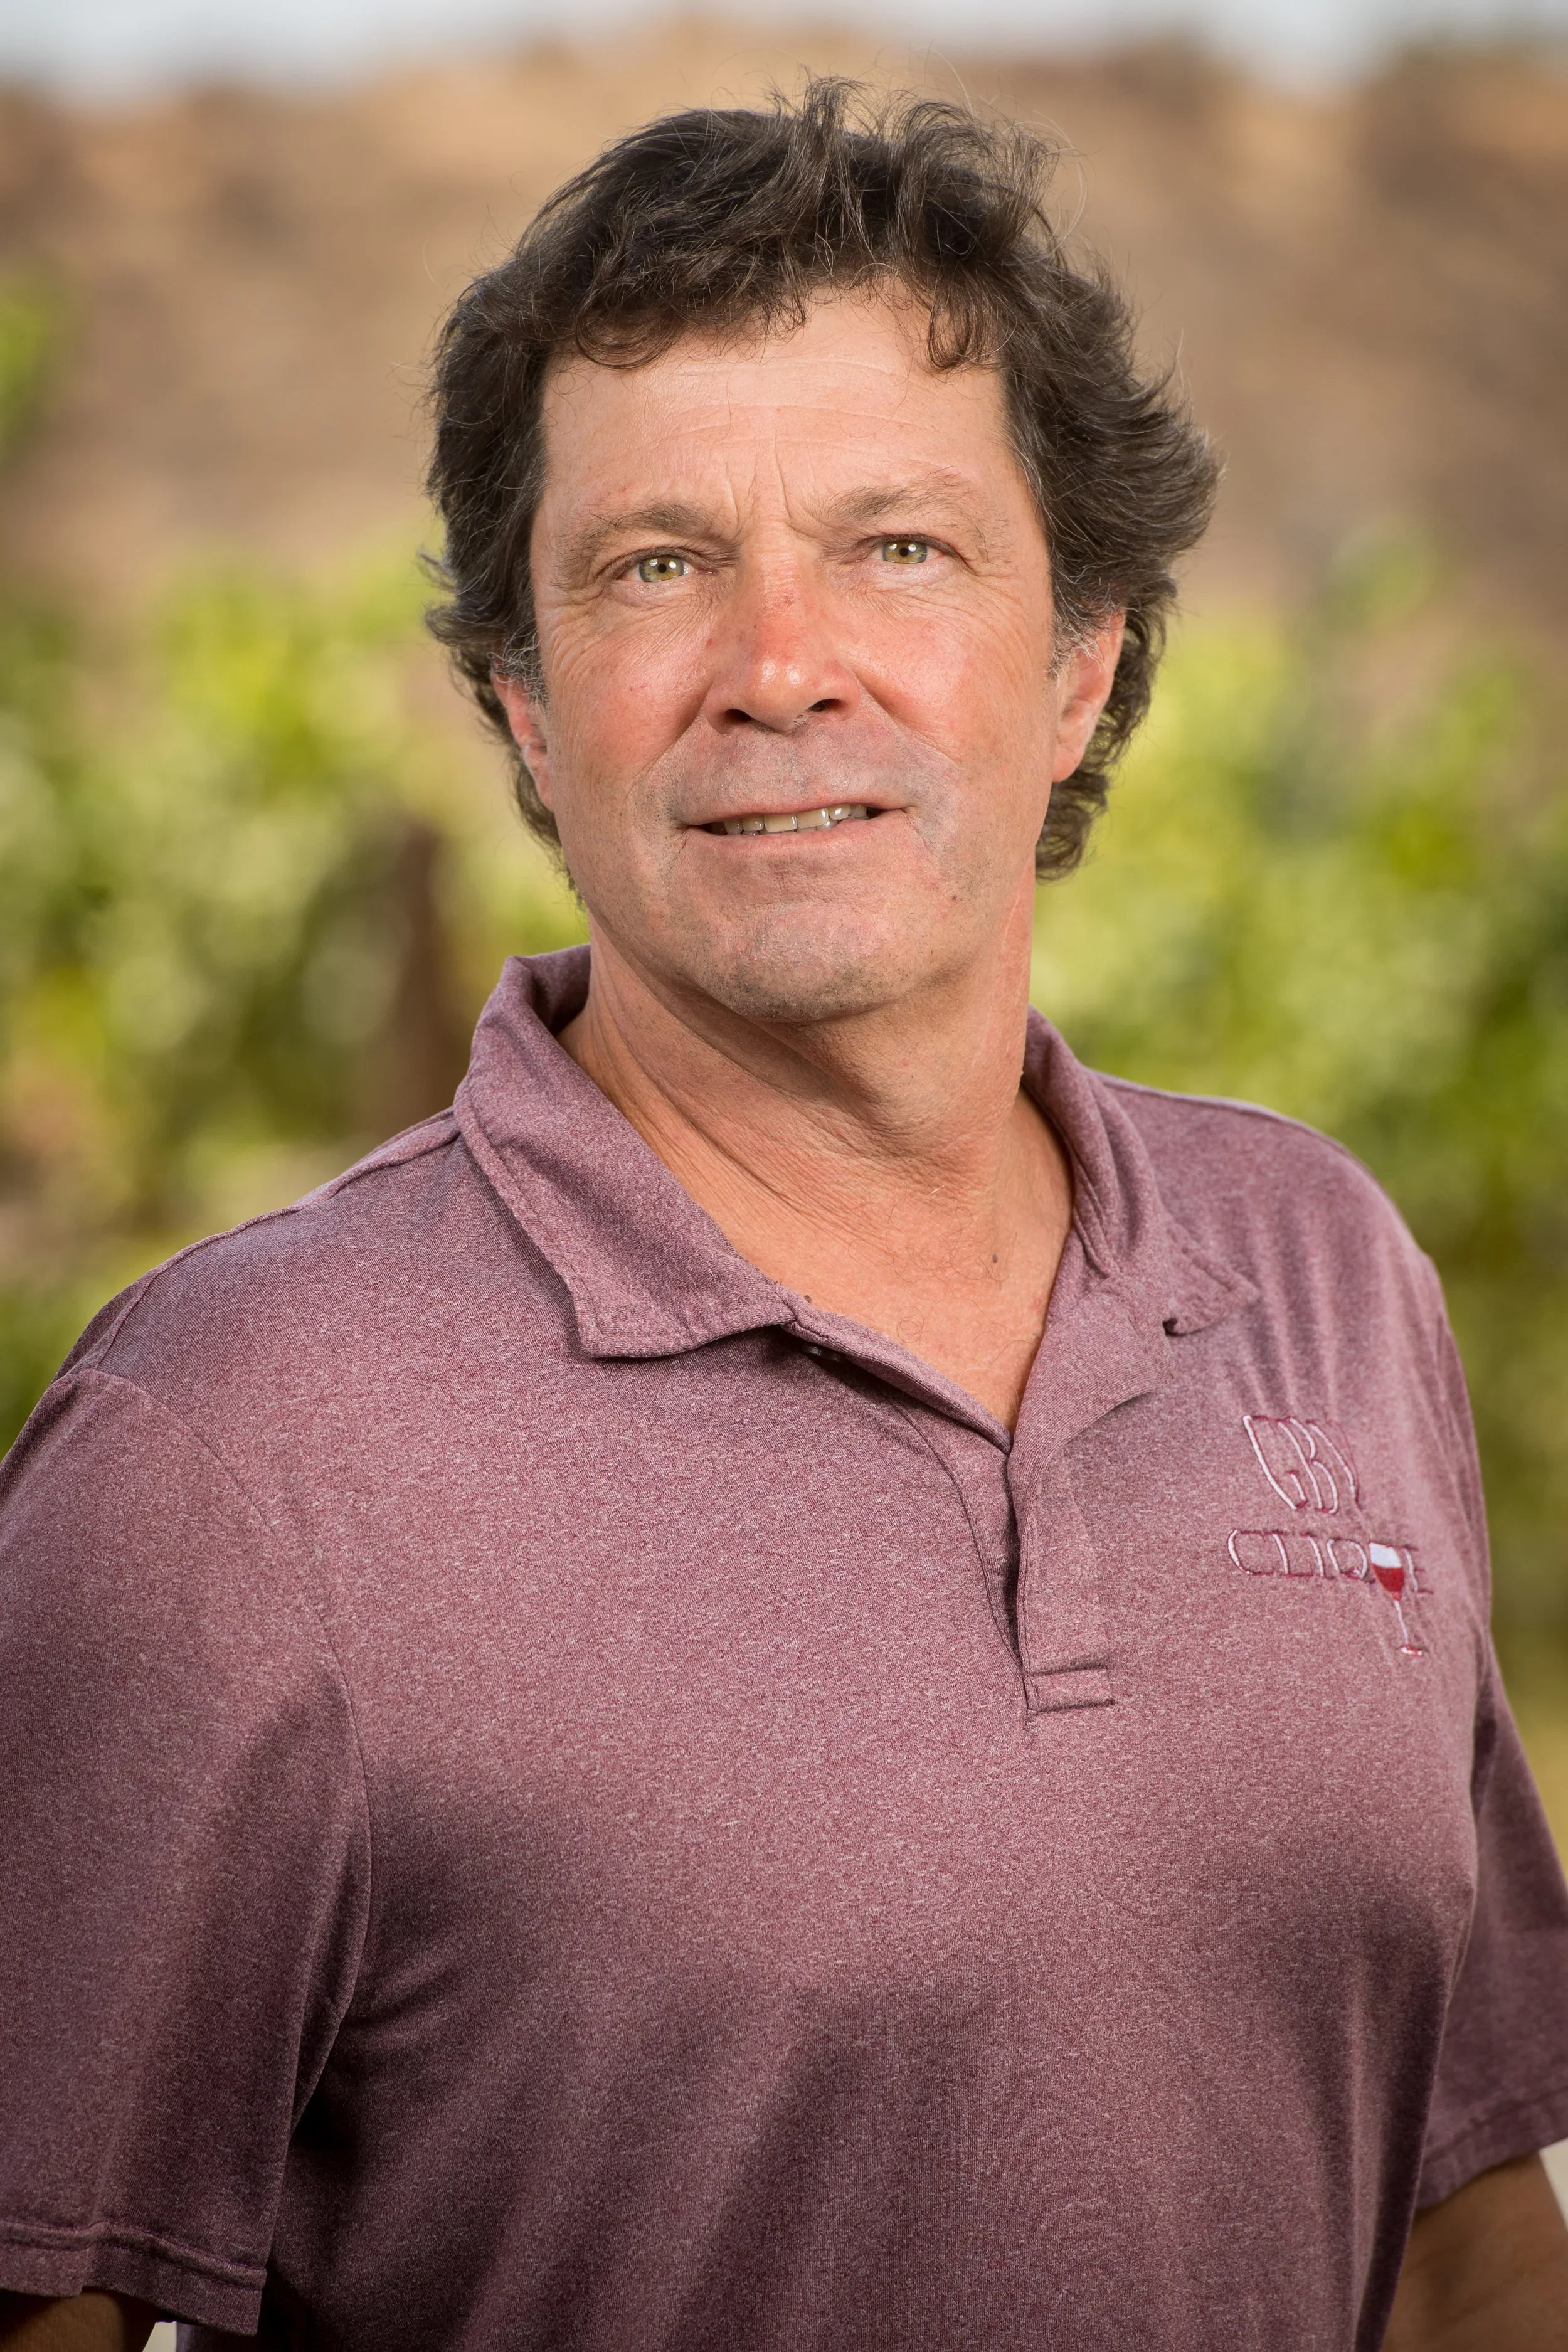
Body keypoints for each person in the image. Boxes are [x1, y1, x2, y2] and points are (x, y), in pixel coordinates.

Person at [2, 80, 1567, 2352]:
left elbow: (1451, 2226)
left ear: (1081, 663)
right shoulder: (231, 1447)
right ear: (526, 708)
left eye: (896, 548)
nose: (776, 663)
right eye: (656, 565)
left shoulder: (1320, 1271)